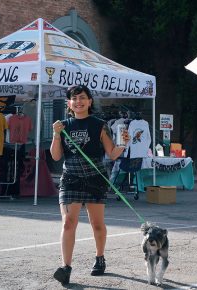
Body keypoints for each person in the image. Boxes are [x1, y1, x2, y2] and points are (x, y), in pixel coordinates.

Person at [50, 84, 130, 286]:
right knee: (68, 222)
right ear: (68, 103)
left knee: (97, 224)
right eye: (74, 98)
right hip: (71, 178)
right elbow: (56, 156)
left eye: (82, 98)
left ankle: (100, 257)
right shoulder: (63, 126)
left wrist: (123, 144)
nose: (78, 102)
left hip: (95, 178)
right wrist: (56, 135)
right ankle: (66, 267)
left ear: (90, 101)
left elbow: (111, 154)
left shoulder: (99, 124)